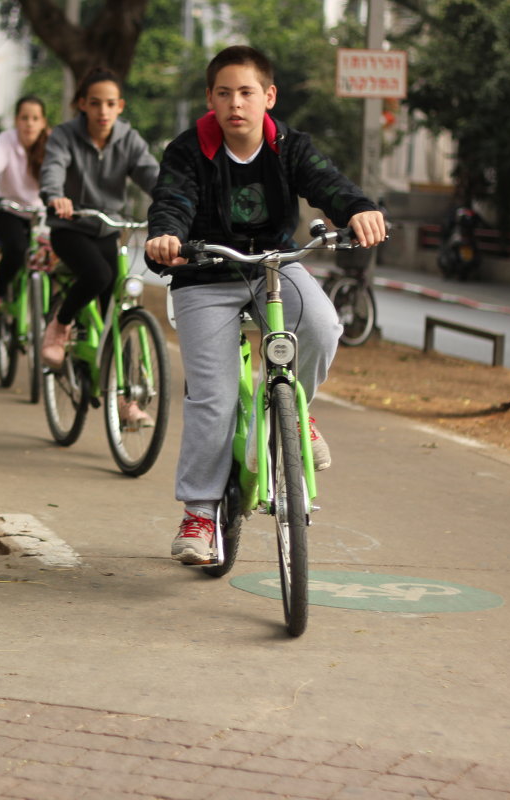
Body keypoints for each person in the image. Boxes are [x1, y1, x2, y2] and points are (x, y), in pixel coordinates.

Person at [145, 45, 387, 564]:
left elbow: (329, 185)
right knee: (214, 395)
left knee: (323, 325)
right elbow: (173, 200)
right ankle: (199, 513)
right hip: (203, 275)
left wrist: (361, 209)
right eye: (225, 93)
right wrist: (166, 235)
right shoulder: (189, 150)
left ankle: (299, 413)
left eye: (247, 92)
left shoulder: (289, 147)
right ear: (210, 99)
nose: (236, 103)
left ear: (268, 97)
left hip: (274, 268)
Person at [38, 68, 160, 385]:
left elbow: (153, 176)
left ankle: (123, 392)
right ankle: (60, 324)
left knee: (117, 310)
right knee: (98, 275)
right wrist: (56, 196)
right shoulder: (64, 135)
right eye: (95, 103)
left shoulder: (129, 140)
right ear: (82, 104)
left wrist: (179, 202)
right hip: (70, 227)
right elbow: (53, 169)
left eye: (109, 104)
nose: (102, 111)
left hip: (108, 230)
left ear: (120, 106)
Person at [0, 96, 51, 322]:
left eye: (35, 118)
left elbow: (63, 176)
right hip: (8, 209)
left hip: (41, 213)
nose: (29, 123)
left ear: (43, 122)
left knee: (55, 258)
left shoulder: (52, 144)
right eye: (24, 118)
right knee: (17, 248)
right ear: (16, 120)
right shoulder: (6, 140)